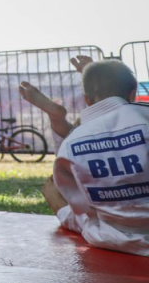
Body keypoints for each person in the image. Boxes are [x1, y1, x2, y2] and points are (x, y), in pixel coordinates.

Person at [20, 57, 149, 256]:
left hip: (112, 235)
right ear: (132, 94)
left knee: (55, 192)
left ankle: (56, 119)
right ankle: (58, 119)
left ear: (86, 100)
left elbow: (80, 206)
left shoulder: (73, 141)